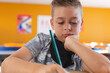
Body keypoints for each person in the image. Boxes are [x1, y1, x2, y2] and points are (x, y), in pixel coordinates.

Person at [1, 0, 110, 73]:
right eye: (61, 22)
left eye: (74, 22)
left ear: (81, 24)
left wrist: (72, 43)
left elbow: (106, 68)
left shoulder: (81, 52)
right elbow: (6, 65)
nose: (67, 27)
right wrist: (42, 70)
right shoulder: (42, 41)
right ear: (52, 24)